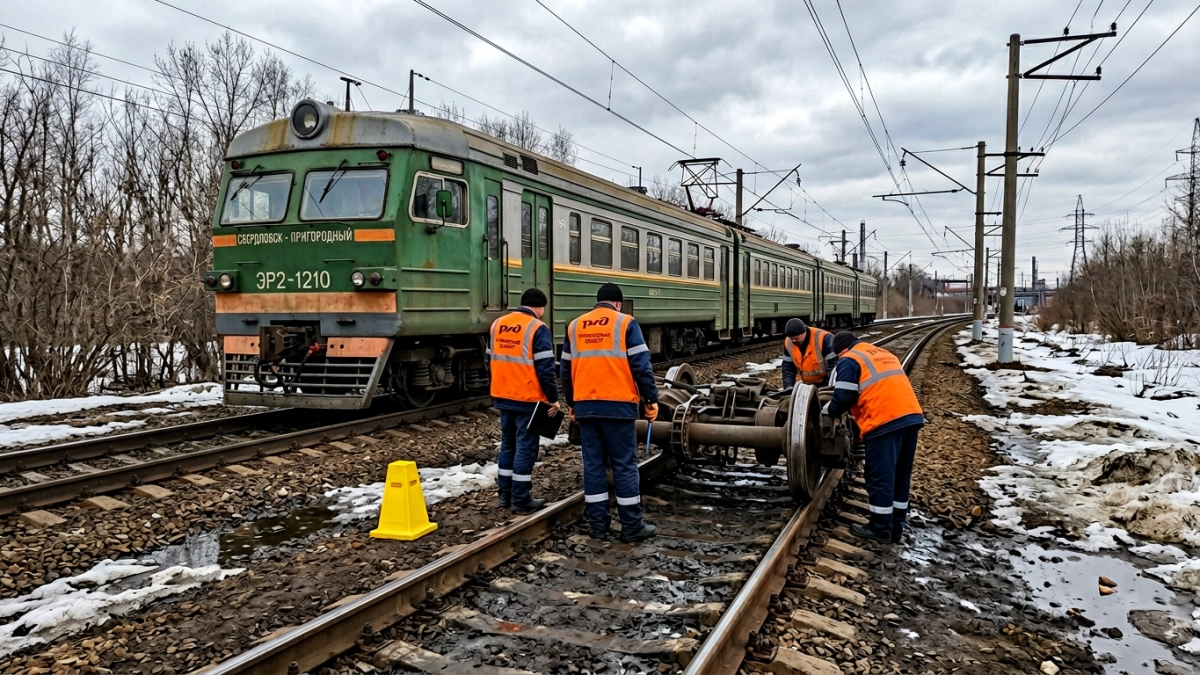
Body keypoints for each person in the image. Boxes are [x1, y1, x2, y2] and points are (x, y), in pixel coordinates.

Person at [561, 283, 659, 543]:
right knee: (624, 466)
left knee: (593, 466)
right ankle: (631, 527)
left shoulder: (575, 326)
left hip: (586, 407)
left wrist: (572, 402)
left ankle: (599, 527)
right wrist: (651, 398)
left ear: (598, 302)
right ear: (618, 303)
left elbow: (565, 370)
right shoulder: (626, 323)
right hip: (618, 407)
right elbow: (641, 366)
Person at [823, 331, 924, 544]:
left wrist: (828, 412)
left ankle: (880, 528)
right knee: (900, 475)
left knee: (880, 476)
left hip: (884, 422)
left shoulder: (849, 359)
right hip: (910, 416)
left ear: (841, 350)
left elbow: (843, 396)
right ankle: (897, 526)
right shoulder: (881, 353)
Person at [485, 287, 559, 513]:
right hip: (528, 398)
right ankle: (521, 499)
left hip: (503, 395)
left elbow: (489, 360)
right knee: (526, 448)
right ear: (539, 307)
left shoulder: (498, 324)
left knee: (508, 445)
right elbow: (545, 368)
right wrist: (553, 398)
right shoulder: (537, 327)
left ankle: (505, 496)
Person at [780, 318, 836, 389]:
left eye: (797, 338)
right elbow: (788, 368)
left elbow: (834, 365)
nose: (794, 340)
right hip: (807, 385)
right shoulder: (788, 342)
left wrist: (828, 387)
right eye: (792, 338)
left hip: (825, 383)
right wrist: (789, 387)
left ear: (804, 332)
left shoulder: (824, 338)